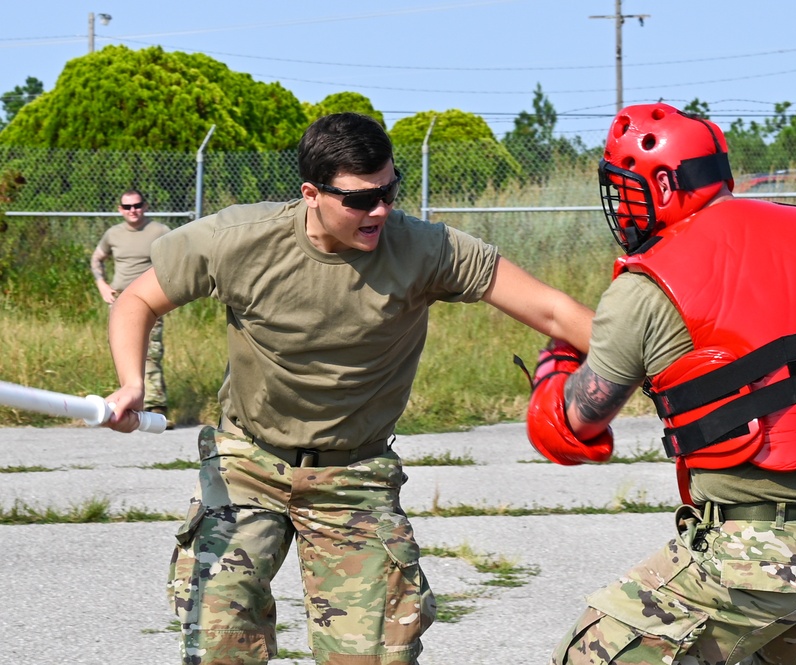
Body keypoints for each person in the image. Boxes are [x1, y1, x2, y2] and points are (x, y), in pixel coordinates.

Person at [102, 112, 594, 665]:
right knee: (220, 631)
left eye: (388, 191)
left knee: (370, 657)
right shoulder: (238, 240)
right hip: (249, 465)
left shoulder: (423, 249)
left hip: (354, 478)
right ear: (312, 193)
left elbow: (552, 309)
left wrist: (653, 369)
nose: (380, 210)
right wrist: (132, 383)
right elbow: (136, 300)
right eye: (360, 199)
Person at [525, 103, 796, 665]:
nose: (623, 204)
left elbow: (575, 423)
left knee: (586, 657)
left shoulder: (649, 282)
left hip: (760, 556)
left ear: (665, 183)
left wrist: (554, 366)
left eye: (628, 187)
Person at [91, 189, 173, 428]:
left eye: (137, 205)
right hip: (120, 301)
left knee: (150, 352)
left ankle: (156, 407)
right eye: (127, 207)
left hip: (150, 303)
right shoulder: (113, 234)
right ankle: (126, 405)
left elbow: (178, 259)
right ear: (120, 210)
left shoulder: (159, 232)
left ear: (145, 206)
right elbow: (97, 258)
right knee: (124, 353)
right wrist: (102, 285)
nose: (133, 210)